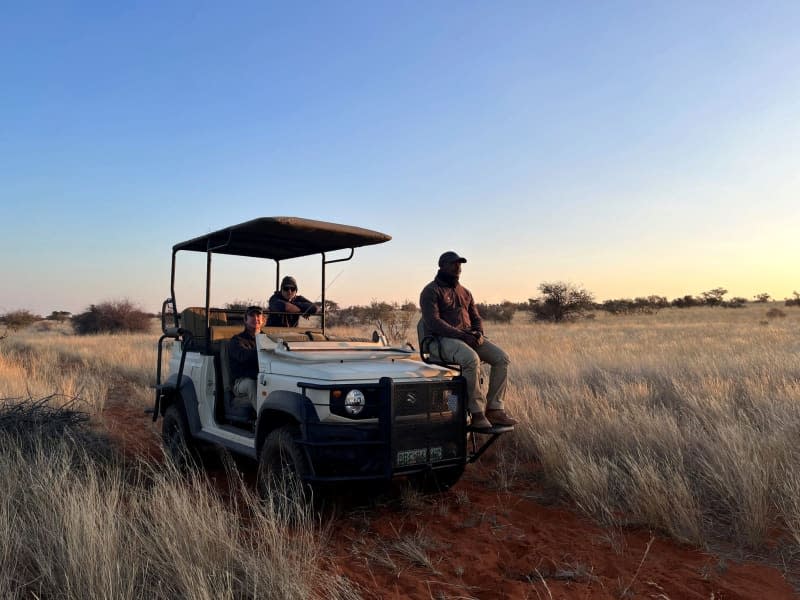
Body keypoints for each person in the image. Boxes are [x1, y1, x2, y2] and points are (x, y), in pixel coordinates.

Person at [419, 251, 516, 430]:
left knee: (502, 358)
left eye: (460, 264)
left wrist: (478, 333)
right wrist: (463, 335)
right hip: (440, 340)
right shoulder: (430, 291)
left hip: (466, 338)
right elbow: (434, 323)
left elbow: (476, 317)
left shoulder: (465, 292)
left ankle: (494, 409)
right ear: (441, 266)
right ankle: (477, 412)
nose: (458, 268)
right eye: (453, 264)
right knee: (471, 359)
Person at [229, 305, 265, 409]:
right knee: (250, 384)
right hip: (241, 381)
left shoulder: (267, 340)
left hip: (263, 378)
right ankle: (261, 419)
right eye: (252, 315)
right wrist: (263, 350)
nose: (255, 318)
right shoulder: (236, 340)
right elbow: (243, 356)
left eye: (258, 316)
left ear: (263, 320)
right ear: (245, 320)